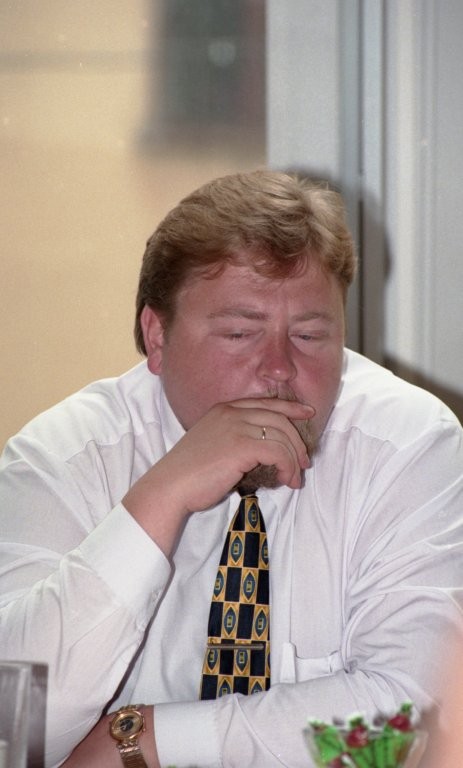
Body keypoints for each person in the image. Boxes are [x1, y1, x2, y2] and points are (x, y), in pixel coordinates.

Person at [0, 169, 462, 768]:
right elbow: (15, 730)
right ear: (156, 337)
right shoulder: (63, 458)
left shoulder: (408, 445)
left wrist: (148, 740)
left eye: (309, 335)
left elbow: (418, 727)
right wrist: (159, 499)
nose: (279, 368)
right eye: (241, 333)